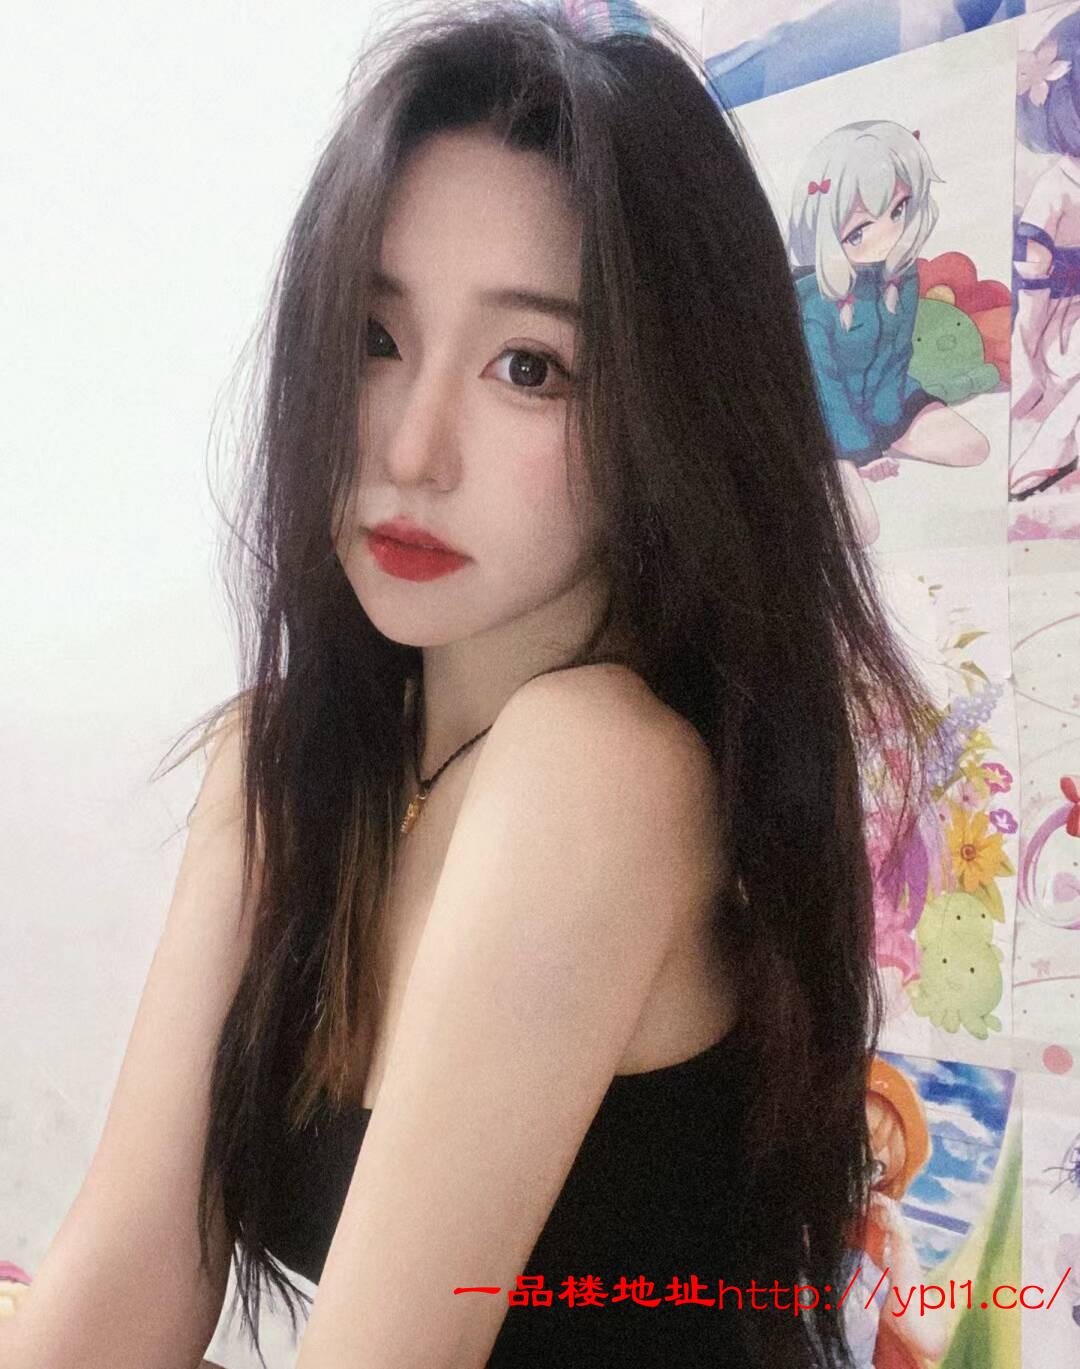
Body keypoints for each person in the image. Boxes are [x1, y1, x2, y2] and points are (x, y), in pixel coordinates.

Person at [3, 2, 942, 1366]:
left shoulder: (596, 766)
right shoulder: (280, 764)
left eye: (528, 368)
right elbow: (127, 1281)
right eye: (375, 338)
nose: (412, 449)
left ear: (671, 410)